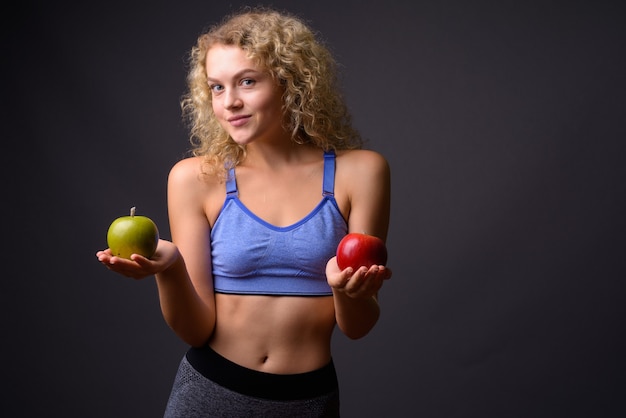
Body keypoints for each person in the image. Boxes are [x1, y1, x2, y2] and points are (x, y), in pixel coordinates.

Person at [96, 6, 392, 417]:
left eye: (247, 82)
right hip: (208, 394)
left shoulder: (360, 173)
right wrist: (169, 267)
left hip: (308, 401)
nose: (230, 102)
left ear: (291, 82)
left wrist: (346, 289)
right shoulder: (195, 179)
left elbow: (357, 327)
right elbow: (196, 329)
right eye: (217, 87)